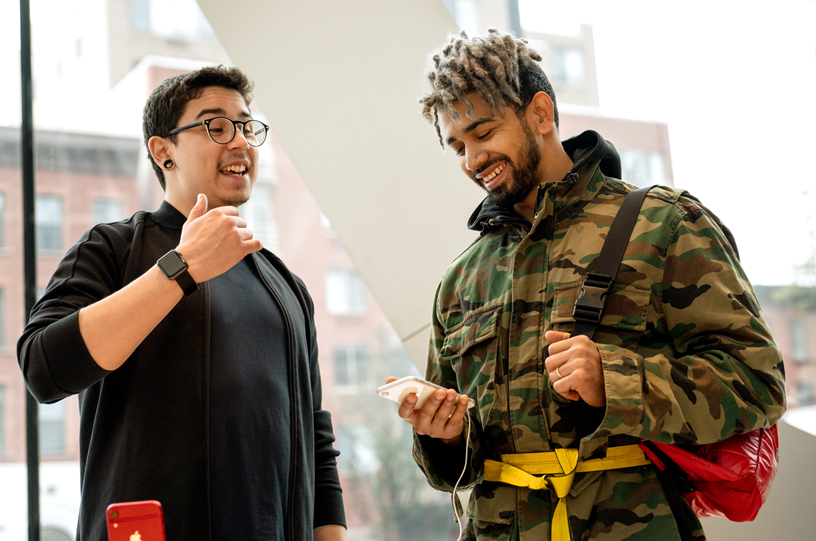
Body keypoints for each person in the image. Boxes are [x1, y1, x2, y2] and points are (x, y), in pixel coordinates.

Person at [389, 29, 786, 541]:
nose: (471, 160)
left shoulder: (665, 224)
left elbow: (757, 381)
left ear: (540, 114)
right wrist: (443, 436)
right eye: (458, 146)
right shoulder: (461, 279)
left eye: (484, 133)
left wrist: (614, 381)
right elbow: (456, 468)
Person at [18, 66, 346, 541]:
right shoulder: (113, 249)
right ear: (163, 150)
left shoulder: (287, 286)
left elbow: (317, 442)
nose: (239, 143)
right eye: (215, 126)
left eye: (247, 127)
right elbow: (44, 368)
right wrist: (182, 267)